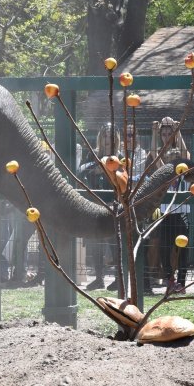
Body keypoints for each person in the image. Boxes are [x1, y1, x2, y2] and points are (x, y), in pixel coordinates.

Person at [145, 117, 191, 293]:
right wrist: (154, 133)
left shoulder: (184, 167)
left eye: (168, 133)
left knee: (183, 248)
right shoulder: (163, 169)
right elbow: (153, 151)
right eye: (163, 134)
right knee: (164, 247)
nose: (166, 136)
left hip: (182, 212)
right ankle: (170, 281)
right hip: (165, 213)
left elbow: (185, 152)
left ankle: (182, 282)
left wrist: (177, 129)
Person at [78, 123, 122, 290]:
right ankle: (98, 277)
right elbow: (80, 171)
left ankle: (119, 278)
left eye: (110, 135)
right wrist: (94, 170)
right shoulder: (92, 155)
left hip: (113, 204)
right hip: (95, 202)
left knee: (114, 241)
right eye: (104, 134)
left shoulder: (120, 156)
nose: (107, 138)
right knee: (95, 240)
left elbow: (125, 177)